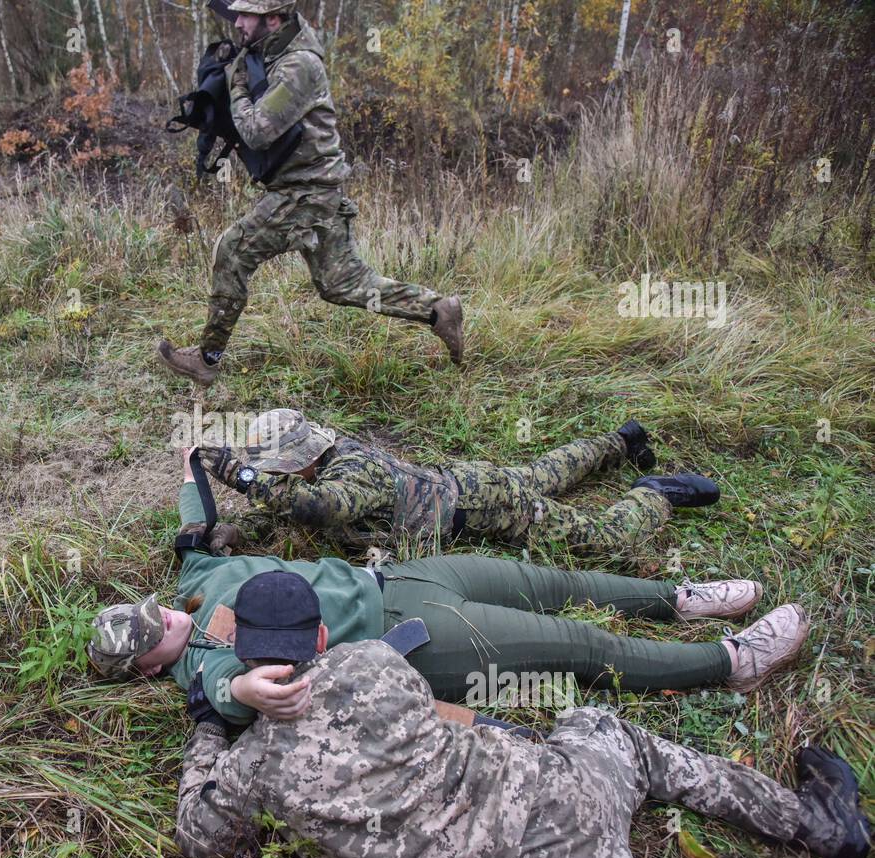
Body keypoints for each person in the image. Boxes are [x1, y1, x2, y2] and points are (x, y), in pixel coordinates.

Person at [171, 571, 871, 858]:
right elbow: (451, 721)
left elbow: (199, 836)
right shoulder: (373, 665)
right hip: (564, 801)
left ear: (243, 651)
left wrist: (209, 728)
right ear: (320, 637)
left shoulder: (253, 768)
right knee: (609, 732)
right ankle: (812, 823)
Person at [85, 449, 808, 728]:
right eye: (152, 638)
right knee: (580, 646)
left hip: (406, 575)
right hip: (417, 644)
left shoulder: (193, 579)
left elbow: (193, 511)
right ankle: (732, 663)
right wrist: (245, 694)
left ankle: (679, 599)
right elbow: (225, 696)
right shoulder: (201, 664)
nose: (165, 624)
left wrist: (192, 462)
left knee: (555, 583)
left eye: (152, 615)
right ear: (148, 665)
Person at [156, 0, 464, 387]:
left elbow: (257, 130)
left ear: (273, 19)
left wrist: (235, 84)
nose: (239, 23)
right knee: (342, 284)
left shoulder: (299, 65)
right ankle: (439, 310)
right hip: (318, 188)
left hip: (307, 191)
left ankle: (206, 359)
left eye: (246, 16)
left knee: (232, 249)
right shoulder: (270, 52)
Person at [199, 408, 720, 558]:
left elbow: (318, 509)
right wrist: (237, 531)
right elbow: (285, 508)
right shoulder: (327, 465)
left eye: (279, 468)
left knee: (602, 540)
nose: (277, 479)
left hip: (487, 508)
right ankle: (623, 439)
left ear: (303, 458)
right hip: (469, 483)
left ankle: (655, 493)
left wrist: (239, 476)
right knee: (548, 473)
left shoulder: (352, 472)